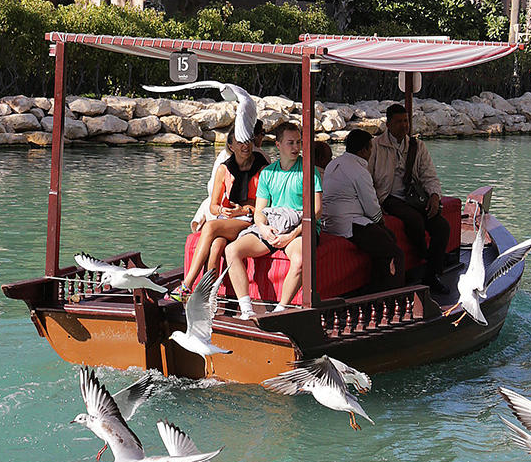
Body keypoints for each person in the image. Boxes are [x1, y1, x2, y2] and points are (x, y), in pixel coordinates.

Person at [222, 123, 326, 321]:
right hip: (274, 226)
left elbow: (317, 211)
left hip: (300, 228)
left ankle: (280, 310)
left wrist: (291, 235)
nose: (296, 147)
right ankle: (247, 309)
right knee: (232, 250)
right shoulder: (268, 173)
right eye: (290, 143)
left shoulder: (310, 171)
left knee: (299, 261)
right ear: (278, 145)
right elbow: (260, 211)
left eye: (298, 142)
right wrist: (263, 227)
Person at [170, 119, 268, 304]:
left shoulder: (262, 166)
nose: (244, 145)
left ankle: (186, 285)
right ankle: (206, 297)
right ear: (231, 145)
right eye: (239, 141)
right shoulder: (224, 168)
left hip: (251, 218)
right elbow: (213, 205)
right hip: (228, 218)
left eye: (247, 141)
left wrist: (243, 210)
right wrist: (223, 209)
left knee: (210, 227)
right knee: (216, 246)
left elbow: (266, 204)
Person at [369, 103, 450, 290]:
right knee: (414, 219)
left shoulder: (417, 146)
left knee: (442, 226)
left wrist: (435, 196)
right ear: (388, 124)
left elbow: (429, 175)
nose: (404, 125)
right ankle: (429, 257)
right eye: (398, 122)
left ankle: (432, 275)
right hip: (387, 196)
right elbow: (367, 178)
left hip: (414, 196)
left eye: (406, 121)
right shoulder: (375, 146)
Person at [321, 128, 401, 292]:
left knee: (386, 240)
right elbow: (371, 206)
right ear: (364, 150)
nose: (371, 151)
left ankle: (375, 289)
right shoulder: (359, 171)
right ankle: (391, 297)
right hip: (350, 224)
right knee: (394, 252)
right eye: (370, 148)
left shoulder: (333, 164)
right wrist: (381, 223)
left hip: (329, 222)